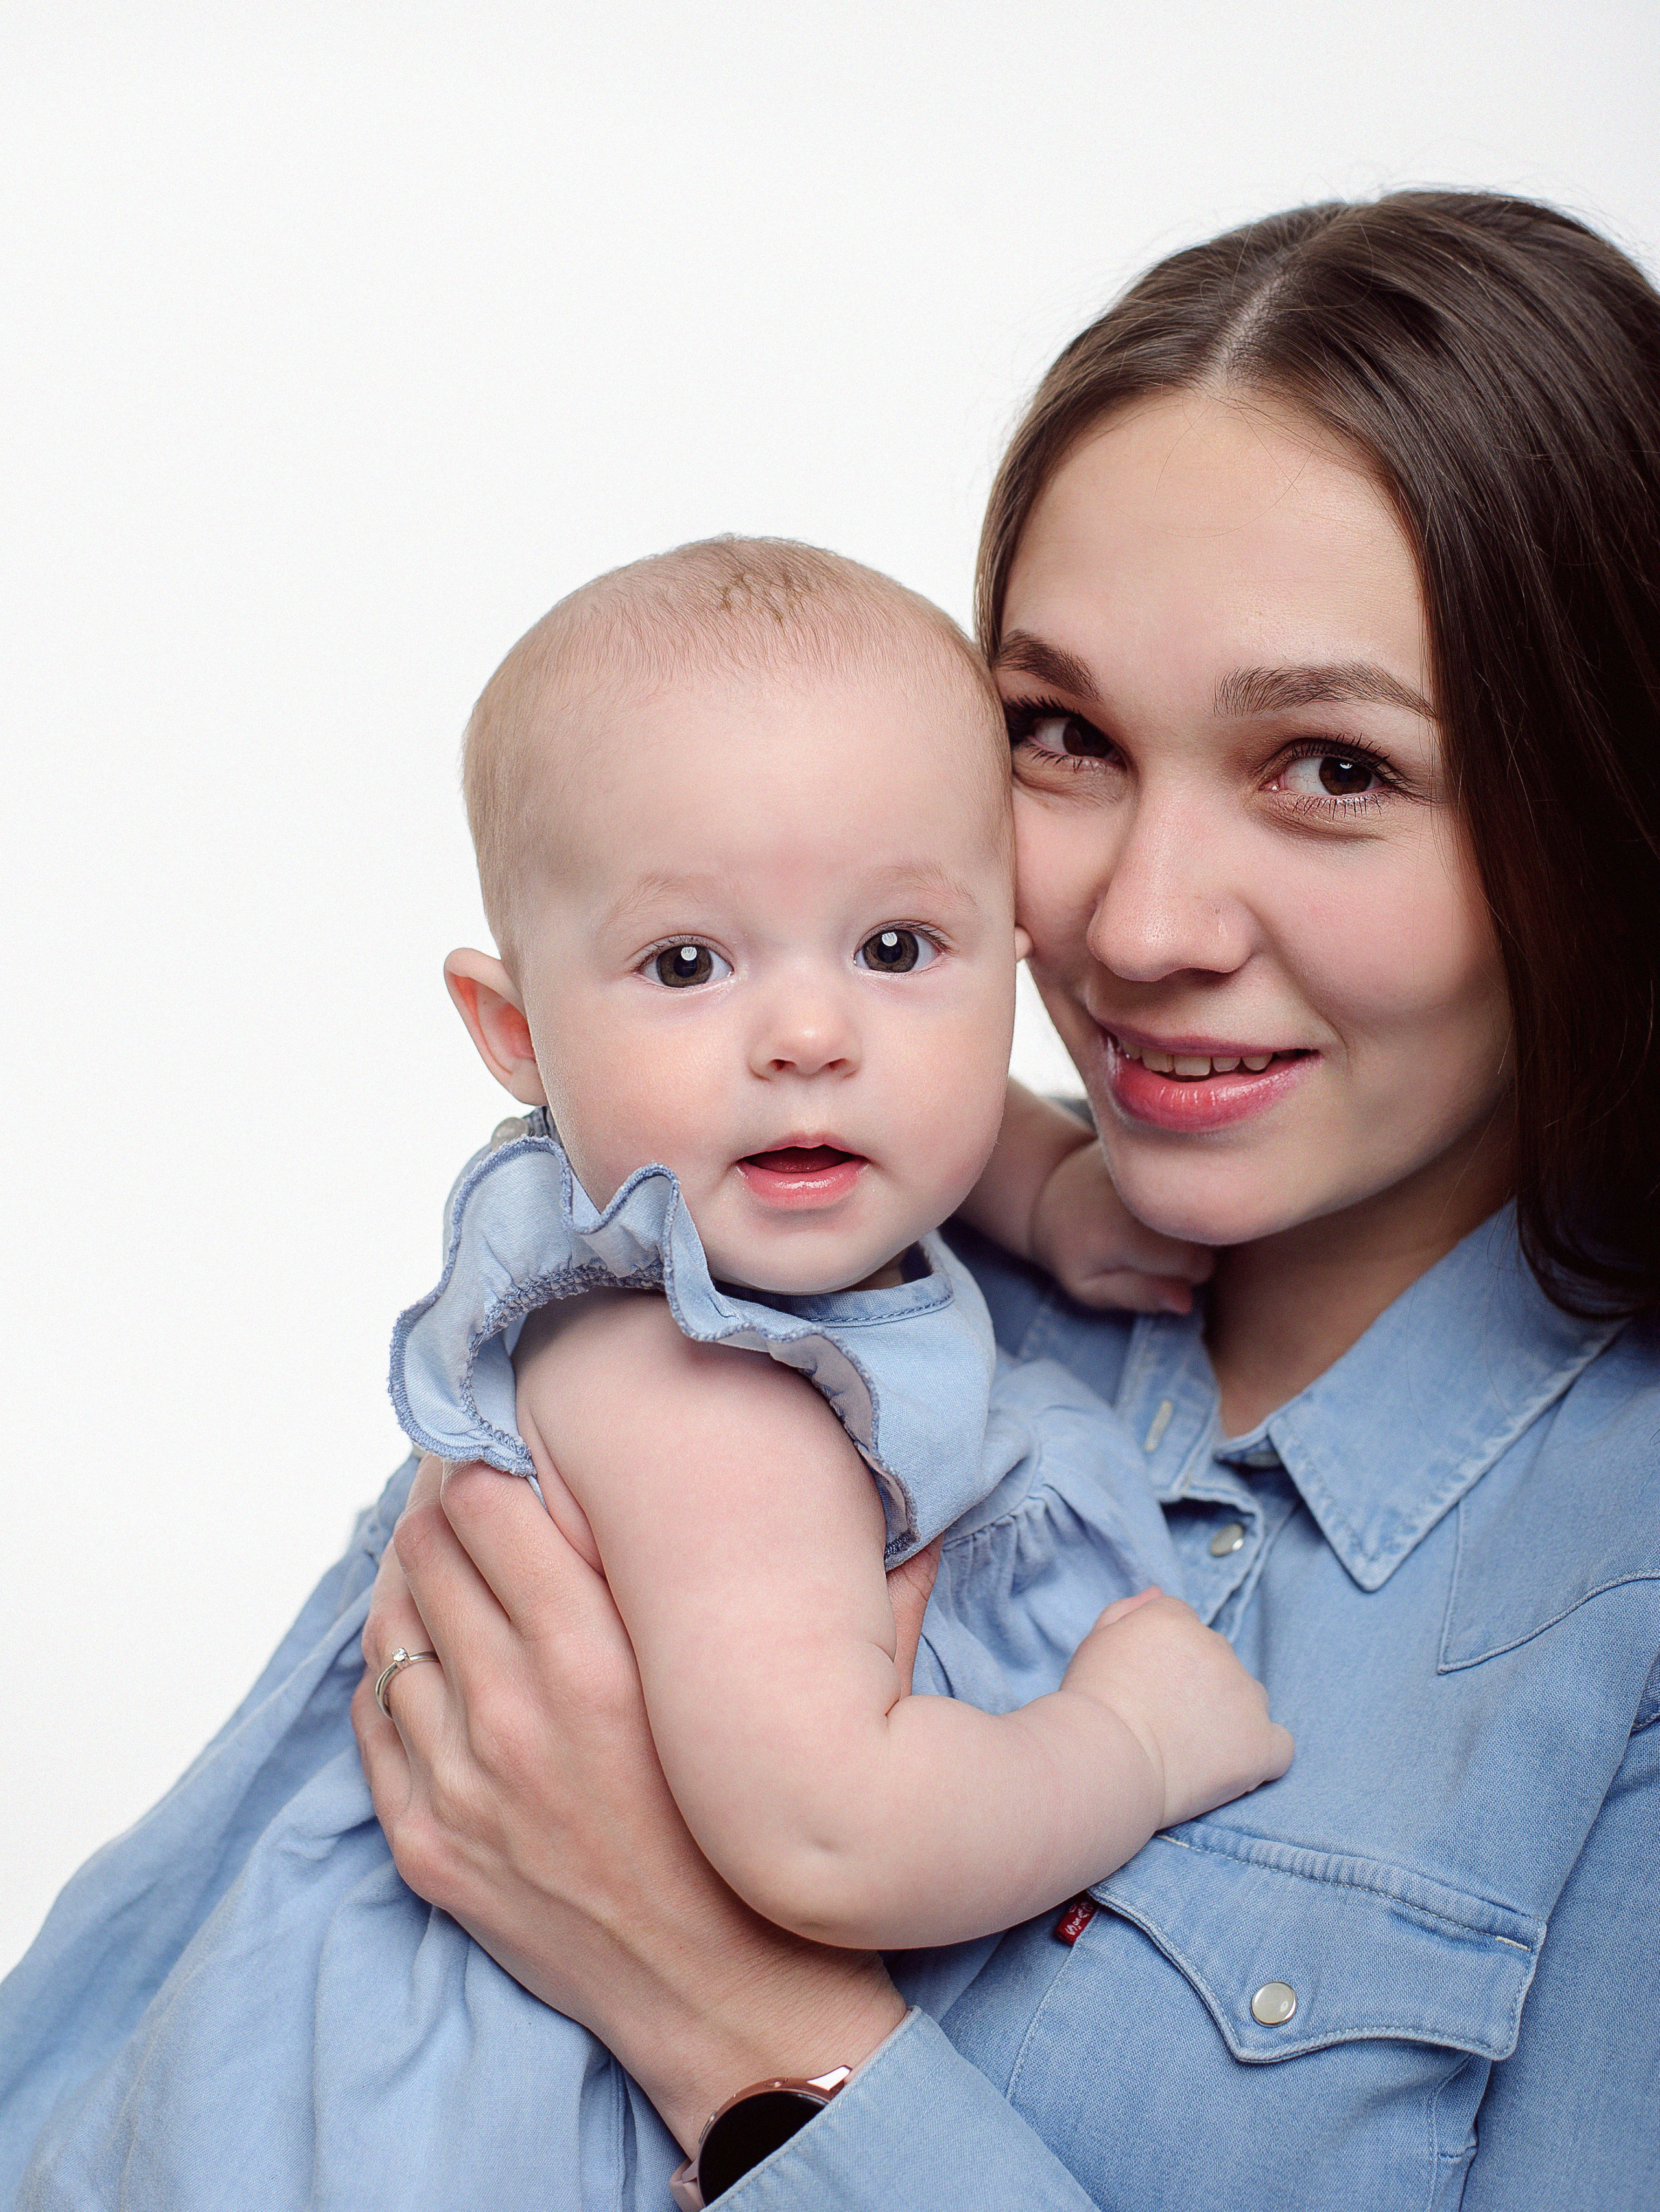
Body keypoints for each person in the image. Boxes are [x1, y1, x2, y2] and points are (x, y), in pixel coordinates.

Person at [352, 192, 1660, 2207]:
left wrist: (740, 2032)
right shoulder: (776, 1238)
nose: (1135, 928)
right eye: (1060, 737)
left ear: (1602, 808)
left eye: (1332, 768)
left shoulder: (1616, 1606)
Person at [0, 536, 1286, 2208]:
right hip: (473, 2131)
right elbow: (829, 1835)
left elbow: (887, 1119)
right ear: (515, 1031)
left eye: (899, 948)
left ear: (1012, 953)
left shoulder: (735, 1173)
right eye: (688, 964)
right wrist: (1131, 1746)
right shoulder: (712, 1408)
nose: (811, 1036)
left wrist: (1046, 1193)